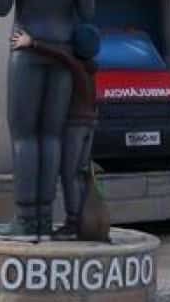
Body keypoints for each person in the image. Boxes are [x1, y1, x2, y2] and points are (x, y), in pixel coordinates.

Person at [0, 0, 96, 240]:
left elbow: (0, 5)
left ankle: (26, 219)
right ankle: (46, 217)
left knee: (25, 137)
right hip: (63, 53)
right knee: (51, 137)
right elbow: (87, 11)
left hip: (26, 49)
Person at [10, 23, 106, 241]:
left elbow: (60, 55)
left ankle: (73, 222)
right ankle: (83, 221)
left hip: (75, 124)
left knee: (69, 175)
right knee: (80, 175)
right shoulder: (91, 67)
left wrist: (32, 42)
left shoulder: (76, 64)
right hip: (90, 124)